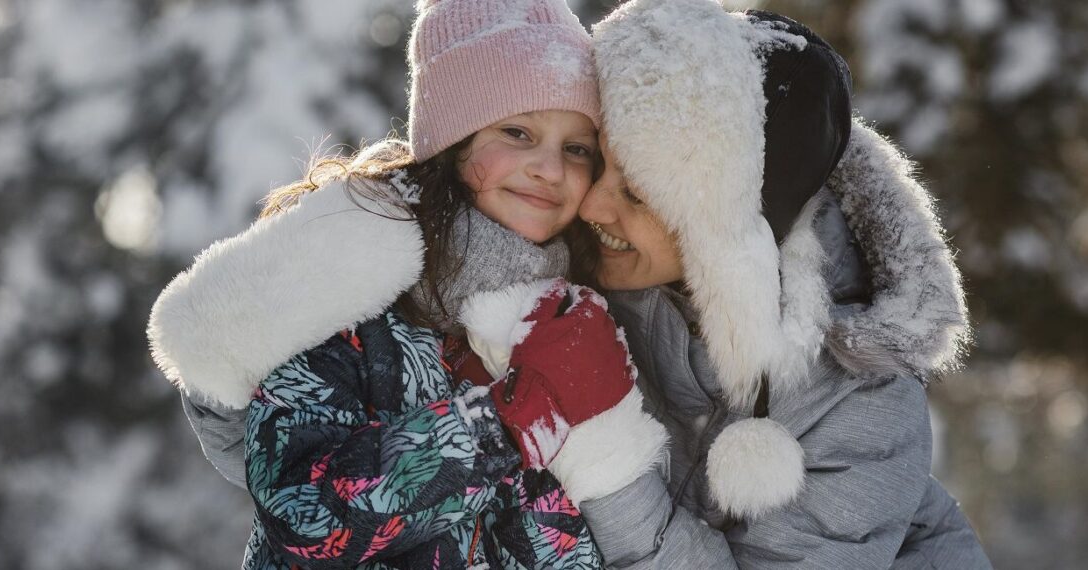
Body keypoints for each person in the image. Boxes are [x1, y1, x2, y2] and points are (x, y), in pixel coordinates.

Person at [146, 0, 666, 567]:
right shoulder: (347, 291)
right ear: (452, 140)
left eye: (576, 149)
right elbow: (305, 513)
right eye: (517, 132)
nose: (551, 168)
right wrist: (502, 427)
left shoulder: (567, 312)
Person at [549, 1, 993, 567]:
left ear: (727, 223)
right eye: (597, 159)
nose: (591, 205)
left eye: (637, 193)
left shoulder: (860, 402)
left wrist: (603, 451)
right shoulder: (603, 260)